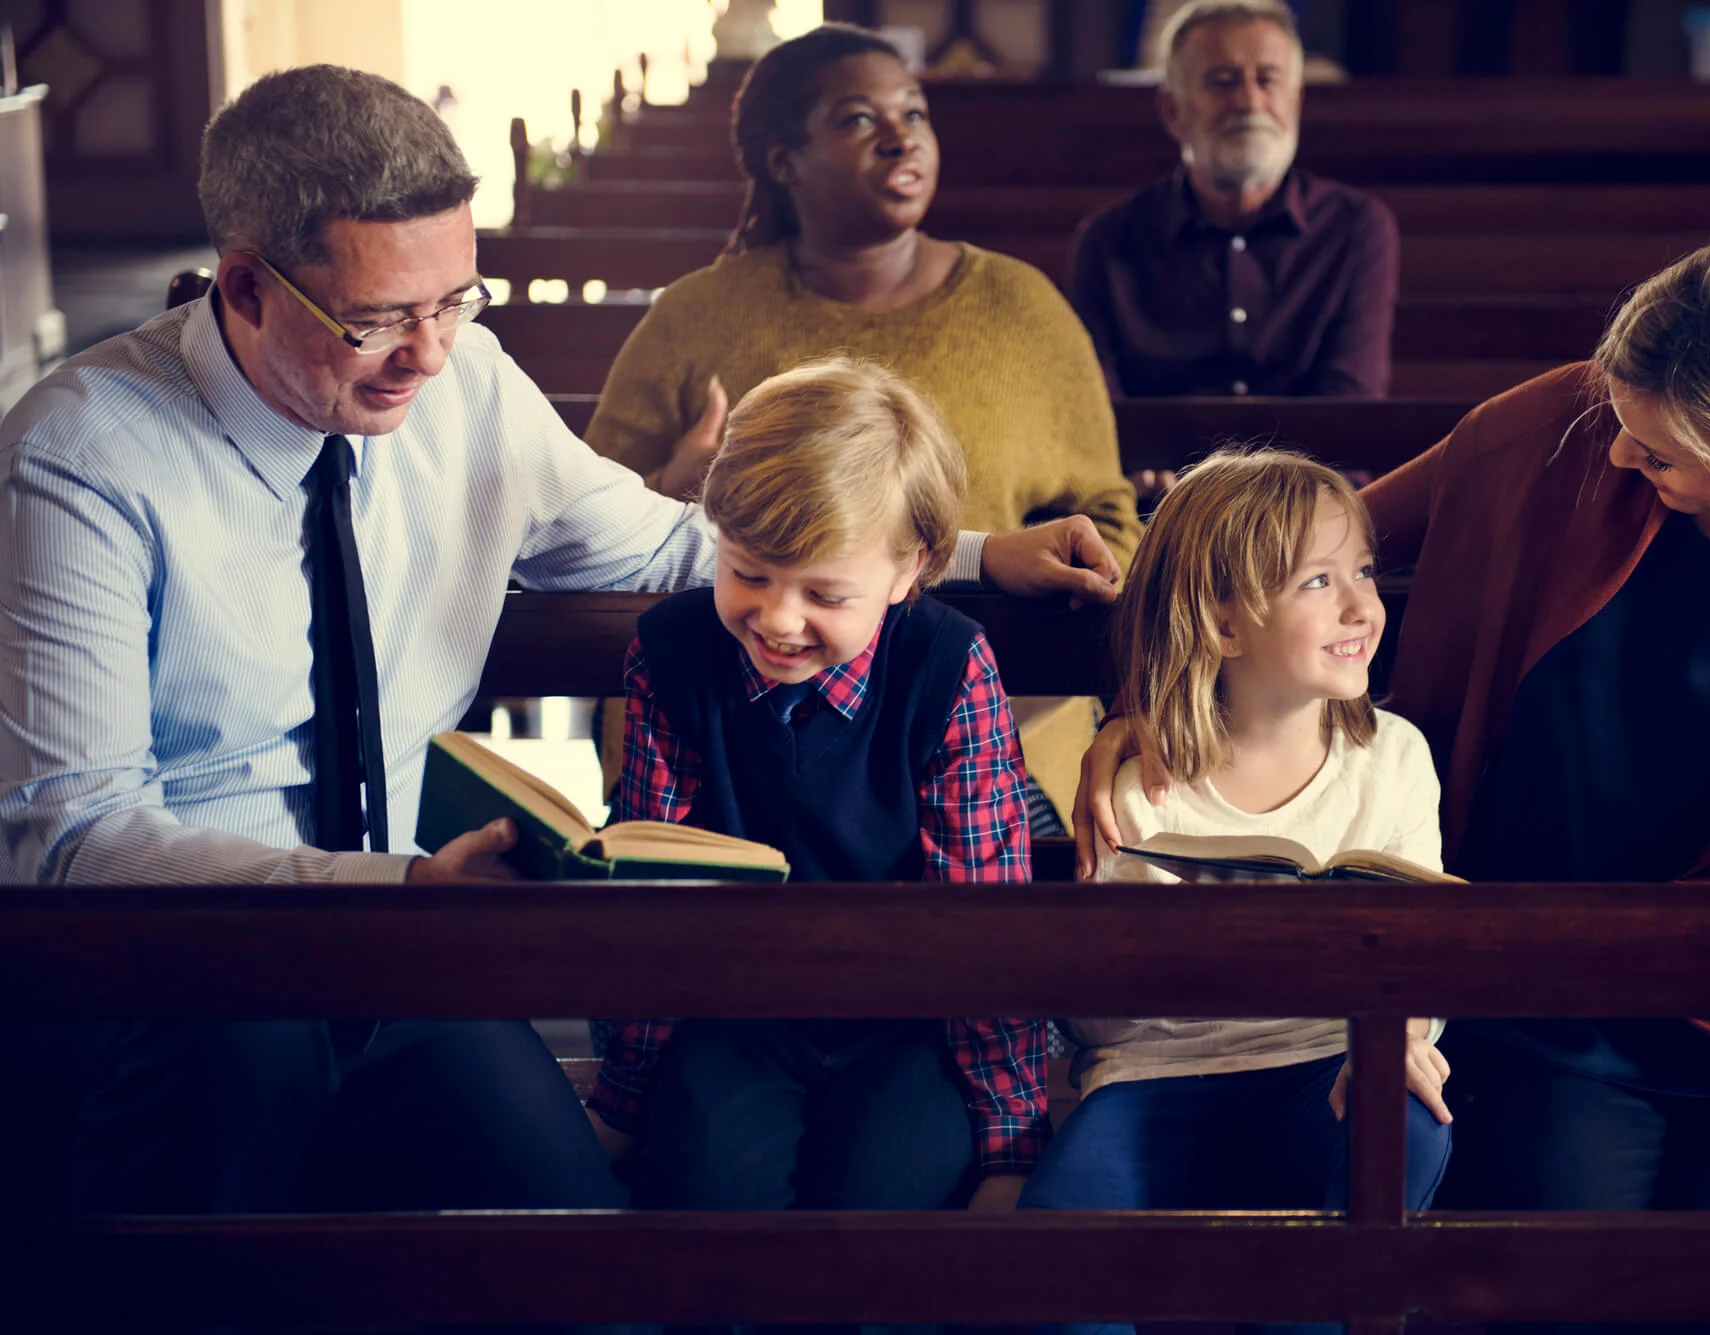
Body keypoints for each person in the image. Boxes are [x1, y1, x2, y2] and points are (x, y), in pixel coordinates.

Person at [0, 65, 1114, 1224]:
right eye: (380, 320)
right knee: (236, 1243)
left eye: (454, 302)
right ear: (244, 285)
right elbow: (72, 839)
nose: (428, 357)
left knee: (590, 1255)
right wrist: (401, 887)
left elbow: (684, 548)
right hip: (186, 984)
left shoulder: (465, 389)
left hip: (406, 970)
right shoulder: (83, 458)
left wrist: (975, 557)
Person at [1073, 231, 1710, 1235]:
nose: (1613, 453)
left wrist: (1599, 951)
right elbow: (1260, 571)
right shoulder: (1567, 416)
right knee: (1566, 1252)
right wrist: (1148, 707)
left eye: (1656, 454)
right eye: (1619, 416)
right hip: (1521, 959)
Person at [582, 22, 1138, 831]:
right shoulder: (695, 317)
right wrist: (675, 487)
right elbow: (597, 525)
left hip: (996, 728)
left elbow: (1107, 521)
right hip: (727, 742)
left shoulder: (1023, 310)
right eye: (856, 119)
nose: (899, 137)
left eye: (912, 113)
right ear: (784, 160)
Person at [587, 357, 1046, 1216]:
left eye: (824, 592)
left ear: (909, 571)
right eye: (747, 572)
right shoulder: (672, 656)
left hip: (908, 1028)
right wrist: (626, 1092)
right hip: (734, 1017)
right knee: (708, 1195)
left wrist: (1009, 1142)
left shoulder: (949, 670)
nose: (778, 618)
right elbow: (649, 897)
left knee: (882, 1206)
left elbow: (985, 926)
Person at [1017, 451, 1451, 1332]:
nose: (1363, 606)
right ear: (1223, 626)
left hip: (1325, 1068)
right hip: (1158, 1082)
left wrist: (1402, 1032)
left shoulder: (1395, 757)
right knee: (1058, 1250)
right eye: (1318, 581)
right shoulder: (1138, 784)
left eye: (1362, 570)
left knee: (1411, 1120)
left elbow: (1427, 950)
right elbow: (1099, 1021)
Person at [1068, 0, 1398, 402]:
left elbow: (1351, 404)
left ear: (1295, 101)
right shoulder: (1107, 242)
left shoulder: (1356, 228)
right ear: (1173, 110)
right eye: (1222, 82)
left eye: (1267, 79)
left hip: (1309, 466)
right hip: (1157, 467)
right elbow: (1098, 413)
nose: (1249, 102)